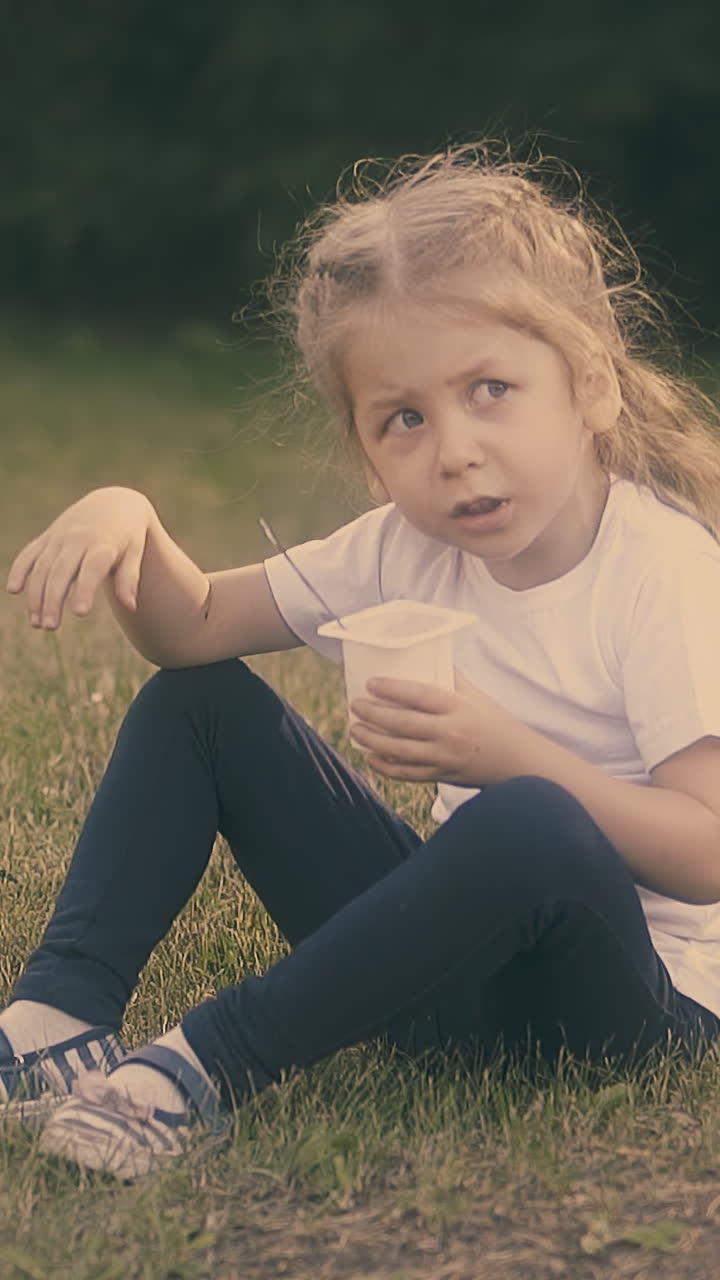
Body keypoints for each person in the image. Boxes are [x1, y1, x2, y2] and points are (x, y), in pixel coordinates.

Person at [4, 140, 720, 1182]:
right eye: (406, 418)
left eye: (492, 389)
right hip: (437, 977)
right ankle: (55, 1017)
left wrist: (503, 750)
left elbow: (706, 849)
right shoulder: (406, 545)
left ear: (593, 387)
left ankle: (203, 1065)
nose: (455, 448)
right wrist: (131, 518)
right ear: (368, 447)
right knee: (197, 701)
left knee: (527, 818)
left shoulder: (662, 571)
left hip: (628, 1006)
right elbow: (195, 624)